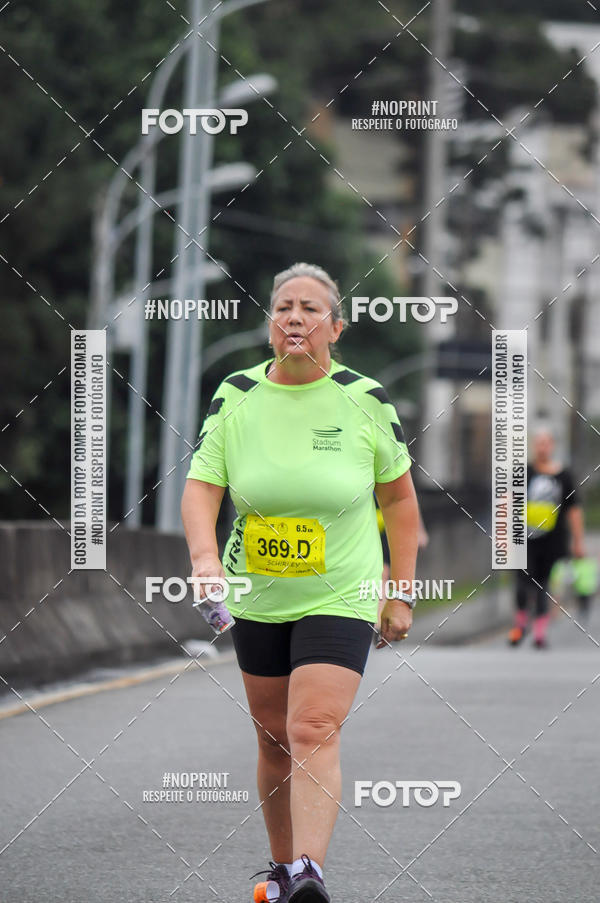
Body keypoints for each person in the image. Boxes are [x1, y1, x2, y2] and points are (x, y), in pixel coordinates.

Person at [181, 262, 420, 903]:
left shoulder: (365, 398)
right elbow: (204, 486)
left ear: (334, 328)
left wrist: (399, 591)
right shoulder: (235, 393)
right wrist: (205, 561)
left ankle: (310, 872)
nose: (295, 317)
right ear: (269, 327)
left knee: (314, 724)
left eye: (311, 309)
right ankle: (284, 870)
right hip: (258, 586)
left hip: (341, 588)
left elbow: (399, 504)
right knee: (273, 733)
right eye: (284, 306)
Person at [508, 425, 586, 649]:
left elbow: (574, 510)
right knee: (522, 583)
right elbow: (509, 503)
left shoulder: (564, 476)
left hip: (552, 540)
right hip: (524, 539)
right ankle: (521, 624)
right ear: (534, 445)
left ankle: (539, 634)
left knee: (543, 584)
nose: (542, 447)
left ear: (552, 446)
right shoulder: (523, 473)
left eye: (546, 443)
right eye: (538, 443)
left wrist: (578, 540)